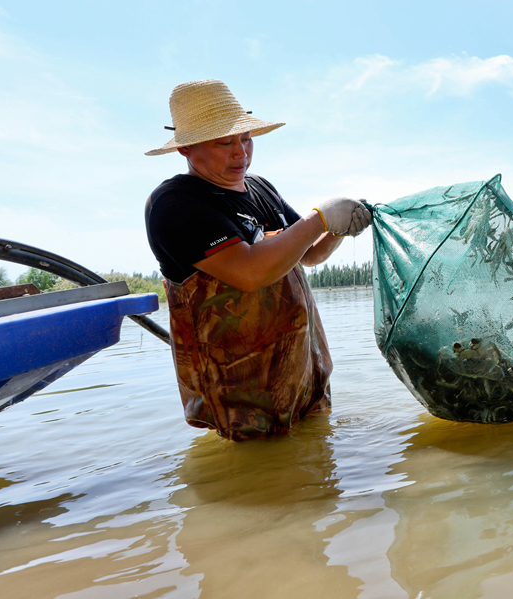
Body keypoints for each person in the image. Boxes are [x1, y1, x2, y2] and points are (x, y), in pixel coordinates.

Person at [144, 79, 371, 440]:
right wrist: (320, 218)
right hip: (242, 399)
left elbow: (309, 255)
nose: (241, 153)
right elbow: (249, 272)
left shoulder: (262, 188)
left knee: (317, 460)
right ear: (186, 148)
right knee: (260, 471)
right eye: (224, 143)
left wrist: (339, 228)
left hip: (305, 378)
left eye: (246, 138)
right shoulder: (175, 203)